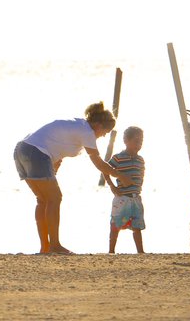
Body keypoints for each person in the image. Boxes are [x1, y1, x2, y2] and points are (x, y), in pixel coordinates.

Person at [13, 102, 127, 255]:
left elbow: (56, 149)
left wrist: (53, 169)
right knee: (55, 198)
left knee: (43, 199)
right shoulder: (87, 132)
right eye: (105, 132)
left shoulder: (78, 126)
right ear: (99, 126)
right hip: (36, 152)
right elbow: (98, 162)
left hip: (22, 150)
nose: (104, 135)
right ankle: (54, 245)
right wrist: (119, 175)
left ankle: (45, 247)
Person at [104, 126, 146, 254]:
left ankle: (141, 252)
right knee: (116, 225)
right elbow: (105, 169)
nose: (139, 144)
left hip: (135, 198)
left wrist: (139, 186)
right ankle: (111, 251)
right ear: (126, 141)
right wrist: (112, 186)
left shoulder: (140, 160)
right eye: (136, 141)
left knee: (137, 226)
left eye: (141, 142)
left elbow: (141, 174)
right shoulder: (118, 158)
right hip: (122, 198)